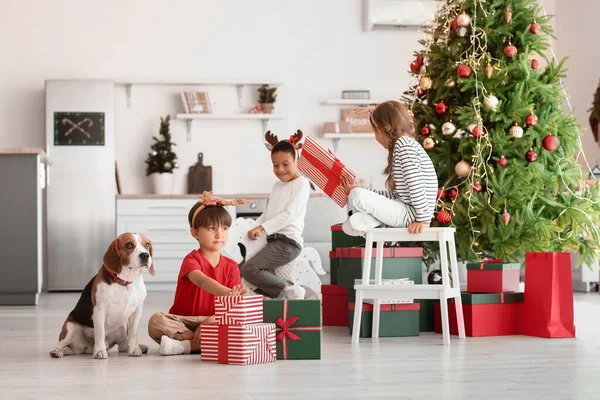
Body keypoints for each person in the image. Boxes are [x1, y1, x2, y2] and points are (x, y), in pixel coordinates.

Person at [147, 192, 250, 356]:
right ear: (195, 233)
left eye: (224, 228)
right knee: (156, 321)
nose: (219, 234)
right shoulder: (191, 260)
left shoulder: (231, 266)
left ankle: (187, 345)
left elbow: (234, 306)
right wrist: (228, 293)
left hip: (213, 320)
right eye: (211, 228)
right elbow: (202, 280)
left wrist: (211, 320)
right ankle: (200, 343)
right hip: (183, 321)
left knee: (239, 322)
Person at [341, 100, 438, 235]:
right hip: (405, 210)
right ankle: (374, 222)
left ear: (380, 131)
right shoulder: (404, 145)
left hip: (411, 214)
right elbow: (394, 196)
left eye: (374, 131)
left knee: (356, 196)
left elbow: (416, 184)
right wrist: (364, 191)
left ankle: (376, 223)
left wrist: (423, 220)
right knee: (356, 194)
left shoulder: (404, 146)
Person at [240, 130, 310, 300]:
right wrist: (253, 226)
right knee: (242, 265)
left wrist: (262, 227)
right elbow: (268, 213)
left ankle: (287, 288)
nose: (280, 169)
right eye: (275, 165)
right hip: (272, 240)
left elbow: (289, 215)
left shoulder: (301, 184)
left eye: (285, 164)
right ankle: (274, 301)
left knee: (249, 269)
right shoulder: (277, 186)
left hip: (288, 243)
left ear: (296, 160)